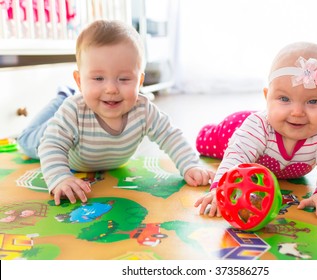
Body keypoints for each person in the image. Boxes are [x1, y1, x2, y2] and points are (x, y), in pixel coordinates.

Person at [17, 19, 214, 205]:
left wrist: (190, 165)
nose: (111, 89)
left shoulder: (143, 110)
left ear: (140, 81)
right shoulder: (74, 111)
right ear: (79, 81)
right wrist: (60, 178)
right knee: (26, 142)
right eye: (98, 79)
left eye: (124, 79)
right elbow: (51, 145)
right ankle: (61, 98)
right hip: (65, 142)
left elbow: (171, 135)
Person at [194, 41, 317, 219]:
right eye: (284, 98)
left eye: (313, 102)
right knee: (207, 141)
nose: (297, 112)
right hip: (236, 130)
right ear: (267, 97)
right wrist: (220, 190)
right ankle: (210, 131)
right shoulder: (258, 126)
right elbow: (237, 155)